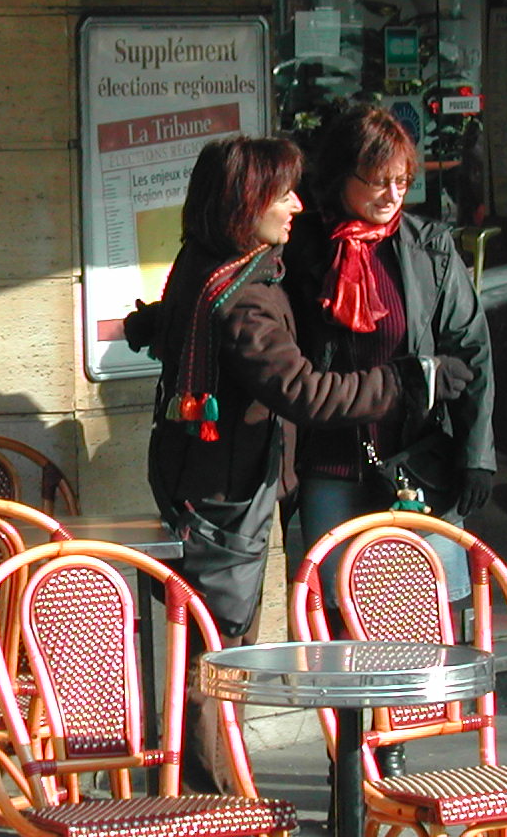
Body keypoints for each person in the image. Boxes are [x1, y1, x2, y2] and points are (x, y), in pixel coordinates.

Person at [123, 133, 470, 646]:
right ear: (247, 202)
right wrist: (407, 380)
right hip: (228, 495)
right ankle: (209, 704)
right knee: (222, 653)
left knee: (212, 644)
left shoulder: (208, 263)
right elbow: (305, 392)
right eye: (283, 195)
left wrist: (155, 324)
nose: (297, 206)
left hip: (202, 481)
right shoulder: (243, 296)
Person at [282, 104, 494, 576]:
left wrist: (477, 456)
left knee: (425, 603)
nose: (392, 195)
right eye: (378, 181)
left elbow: (471, 350)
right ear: (341, 175)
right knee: (338, 603)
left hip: (414, 464)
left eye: (402, 181)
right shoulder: (300, 249)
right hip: (331, 465)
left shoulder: (430, 247)